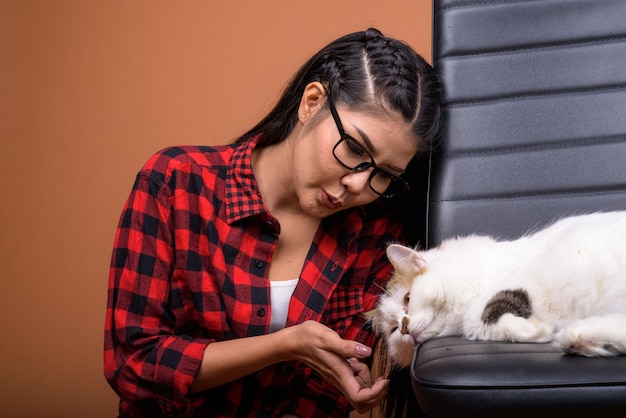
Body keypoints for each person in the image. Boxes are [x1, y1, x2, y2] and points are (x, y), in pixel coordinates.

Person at [104, 27, 442, 417]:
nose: (358, 184)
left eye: (384, 175)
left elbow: (324, 396)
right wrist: (287, 344)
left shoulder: (376, 238)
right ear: (312, 102)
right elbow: (135, 364)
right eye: (353, 148)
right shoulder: (176, 184)